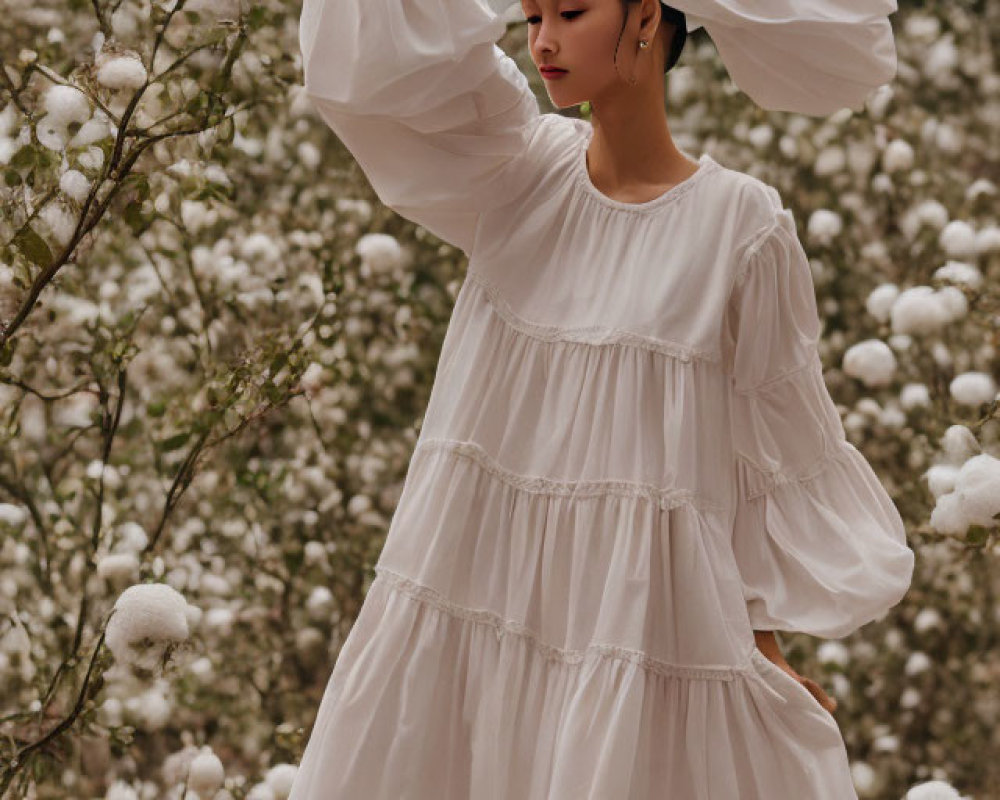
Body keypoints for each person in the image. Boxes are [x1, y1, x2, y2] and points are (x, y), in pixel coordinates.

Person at [289, 0, 914, 797]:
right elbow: (371, 66)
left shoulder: (740, 227)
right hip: (472, 583)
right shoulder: (516, 171)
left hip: (634, 619)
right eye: (530, 14)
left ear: (646, 15)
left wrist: (764, 642)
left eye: (572, 11)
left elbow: (773, 453)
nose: (543, 40)